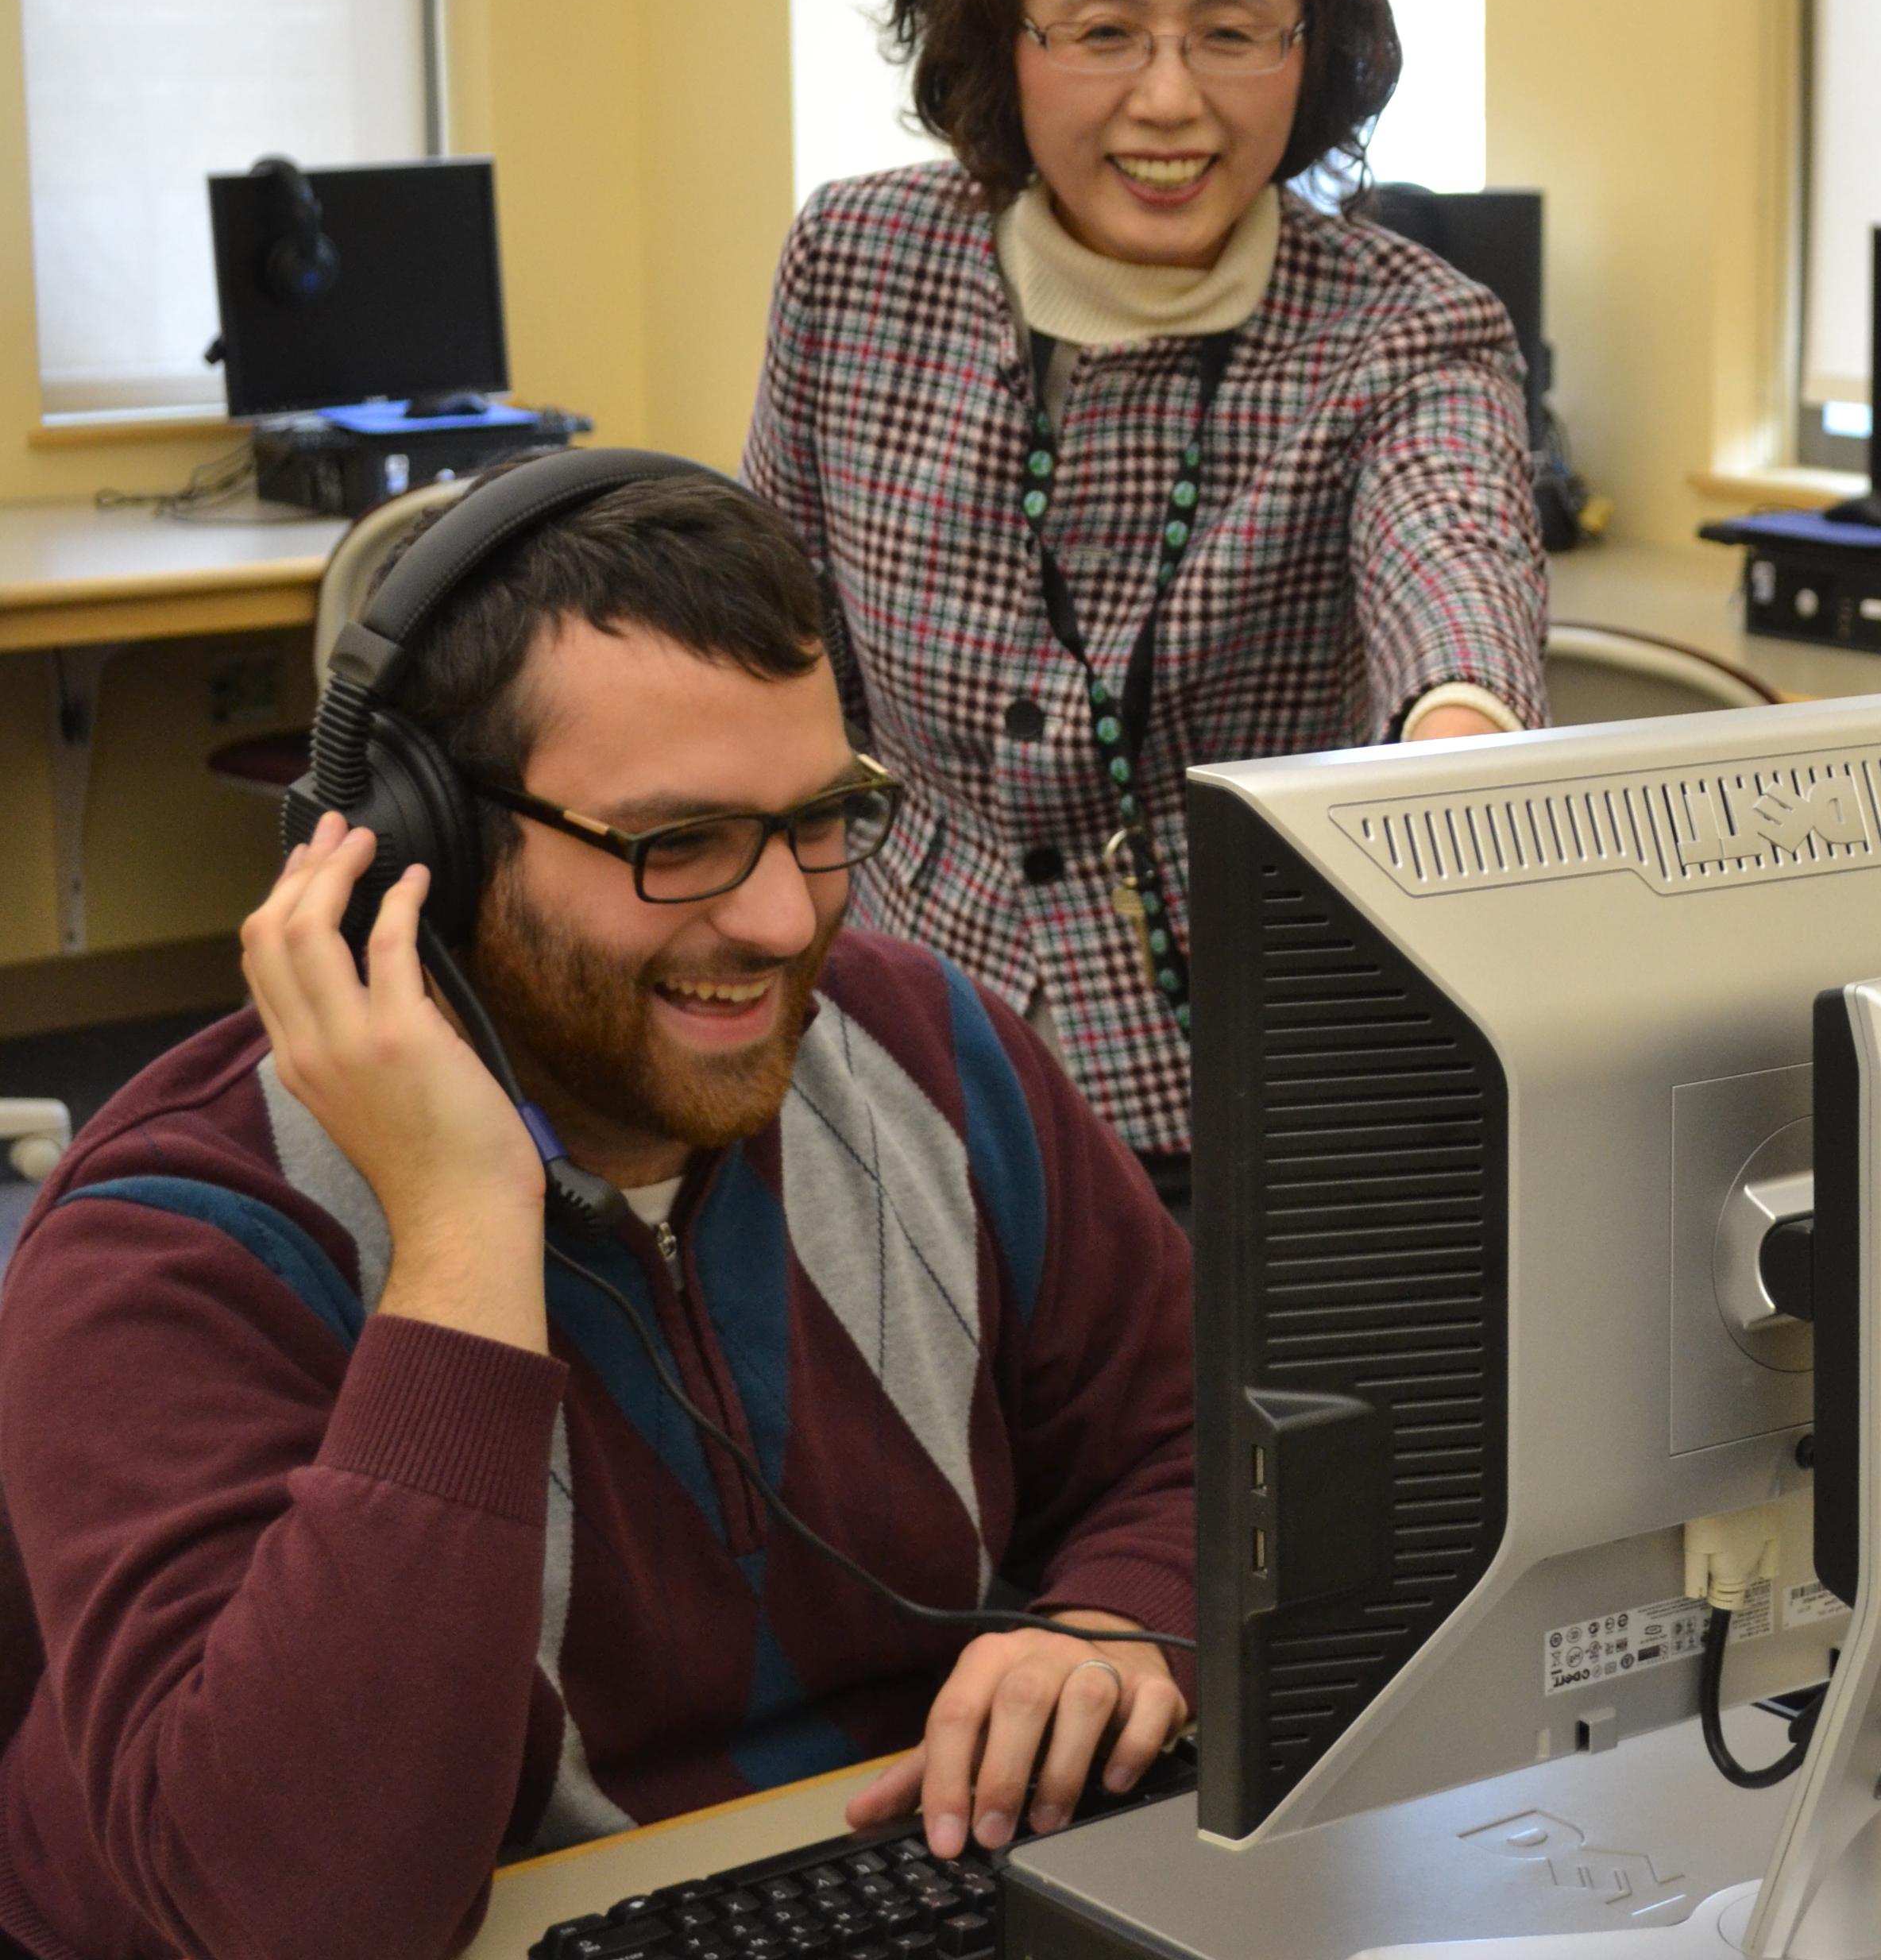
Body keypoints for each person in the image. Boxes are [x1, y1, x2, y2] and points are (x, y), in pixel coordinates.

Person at [0, 462, 1195, 1960]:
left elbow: (1192, 1437)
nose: (776, 920)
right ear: (422, 845)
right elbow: (298, 1916)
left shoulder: (928, 1060)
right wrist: (459, 1233)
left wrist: (1122, 1616)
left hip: (856, 1889)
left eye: (817, 818)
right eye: (673, 842)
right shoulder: (175, 1241)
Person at [746, 0, 1547, 1192]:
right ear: (1005, 41)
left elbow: (1457, 563)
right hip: (878, 1039)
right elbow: (771, 654)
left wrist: (1459, 743)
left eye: (1232, 31)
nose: (1170, 101)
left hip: (1237, 1086)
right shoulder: (855, 263)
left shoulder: (1407, 327)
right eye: (1104, 30)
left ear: (1309, 57)